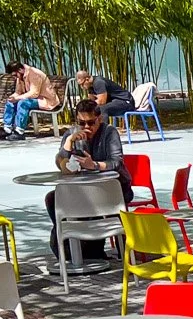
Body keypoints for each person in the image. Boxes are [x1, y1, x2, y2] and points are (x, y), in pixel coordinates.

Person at [43, 99, 130, 255]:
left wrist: (94, 165)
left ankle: (95, 248)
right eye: (82, 123)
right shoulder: (72, 134)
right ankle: (69, 243)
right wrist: (69, 142)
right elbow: (60, 161)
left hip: (111, 189)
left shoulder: (109, 133)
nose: (87, 127)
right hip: (82, 190)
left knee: (90, 205)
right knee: (52, 198)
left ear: (99, 119)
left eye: (91, 122)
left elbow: (116, 162)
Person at [0, 60, 60, 140]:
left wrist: (17, 98)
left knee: (23, 103)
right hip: (34, 99)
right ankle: (7, 129)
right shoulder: (20, 76)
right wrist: (12, 98)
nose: (15, 77)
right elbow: (18, 92)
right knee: (10, 102)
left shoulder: (34, 74)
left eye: (15, 75)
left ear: (20, 70)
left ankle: (19, 131)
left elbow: (34, 93)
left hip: (46, 100)